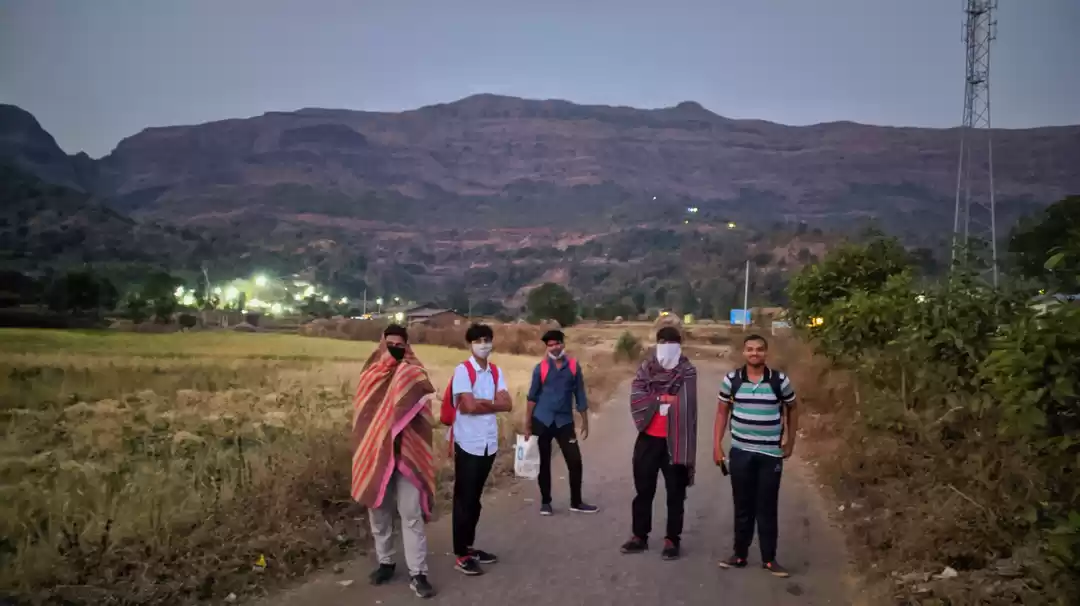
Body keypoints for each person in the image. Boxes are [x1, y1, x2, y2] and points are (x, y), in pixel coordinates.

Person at [351, 324, 437, 599]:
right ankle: (386, 562)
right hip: (377, 455)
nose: (395, 348)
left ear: (407, 346)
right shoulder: (370, 374)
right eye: (391, 344)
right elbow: (364, 416)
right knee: (378, 511)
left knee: (411, 515)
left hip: (407, 455)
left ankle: (418, 573)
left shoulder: (414, 372)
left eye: (400, 344)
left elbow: (424, 411)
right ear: (382, 343)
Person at [714, 334, 798, 578]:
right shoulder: (732, 380)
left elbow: (793, 408)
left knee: (767, 507)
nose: (754, 354)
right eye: (750, 349)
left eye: (759, 350)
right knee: (742, 506)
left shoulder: (779, 381)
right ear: (743, 353)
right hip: (740, 452)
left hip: (770, 454)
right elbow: (721, 413)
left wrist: (790, 441)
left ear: (766, 353)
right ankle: (739, 555)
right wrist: (716, 445)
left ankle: (769, 559)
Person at [621, 326, 698, 561]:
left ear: (679, 344)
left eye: (672, 341)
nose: (667, 345)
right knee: (643, 490)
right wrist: (664, 399)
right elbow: (637, 398)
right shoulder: (646, 368)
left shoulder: (688, 371)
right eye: (663, 341)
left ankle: (672, 540)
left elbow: (686, 405)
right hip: (648, 439)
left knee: (675, 492)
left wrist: (655, 398)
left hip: (676, 440)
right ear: (657, 343)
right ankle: (639, 536)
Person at [451, 323, 513, 576]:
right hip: (468, 443)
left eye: (487, 339)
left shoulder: (496, 371)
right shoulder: (463, 371)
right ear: (470, 344)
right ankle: (461, 554)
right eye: (478, 340)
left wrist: (482, 403)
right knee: (464, 500)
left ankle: (469, 546)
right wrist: (492, 403)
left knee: (475, 499)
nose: (484, 344)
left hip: (488, 443)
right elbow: (467, 407)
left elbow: (507, 404)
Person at [523, 329, 599, 516]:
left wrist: (585, 421)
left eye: (558, 343)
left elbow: (580, 394)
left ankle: (576, 501)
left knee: (575, 461)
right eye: (551, 345)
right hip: (542, 420)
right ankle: (546, 502)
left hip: (564, 421)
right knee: (544, 462)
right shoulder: (540, 369)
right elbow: (532, 398)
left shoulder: (573, 367)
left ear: (563, 344)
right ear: (547, 347)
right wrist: (527, 424)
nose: (555, 347)